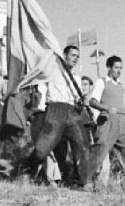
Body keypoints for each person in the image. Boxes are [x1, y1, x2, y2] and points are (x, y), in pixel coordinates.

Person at [25, 46, 90, 188]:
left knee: (83, 146)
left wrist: (82, 104)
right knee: (43, 150)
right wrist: (39, 109)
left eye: (77, 56)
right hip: (55, 110)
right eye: (73, 55)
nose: (75, 58)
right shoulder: (53, 71)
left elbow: (77, 103)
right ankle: (26, 169)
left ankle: (79, 183)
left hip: (72, 112)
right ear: (64, 55)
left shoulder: (77, 78)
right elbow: (41, 86)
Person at [90, 55, 125, 198]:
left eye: (121, 68)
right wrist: (106, 108)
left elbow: (121, 106)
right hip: (107, 120)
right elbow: (93, 101)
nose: (119, 70)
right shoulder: (101, 82)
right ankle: (92, 183)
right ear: (109, 67)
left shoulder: (121, 85)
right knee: (100, 152)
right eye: (116, 67)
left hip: (123, 121)